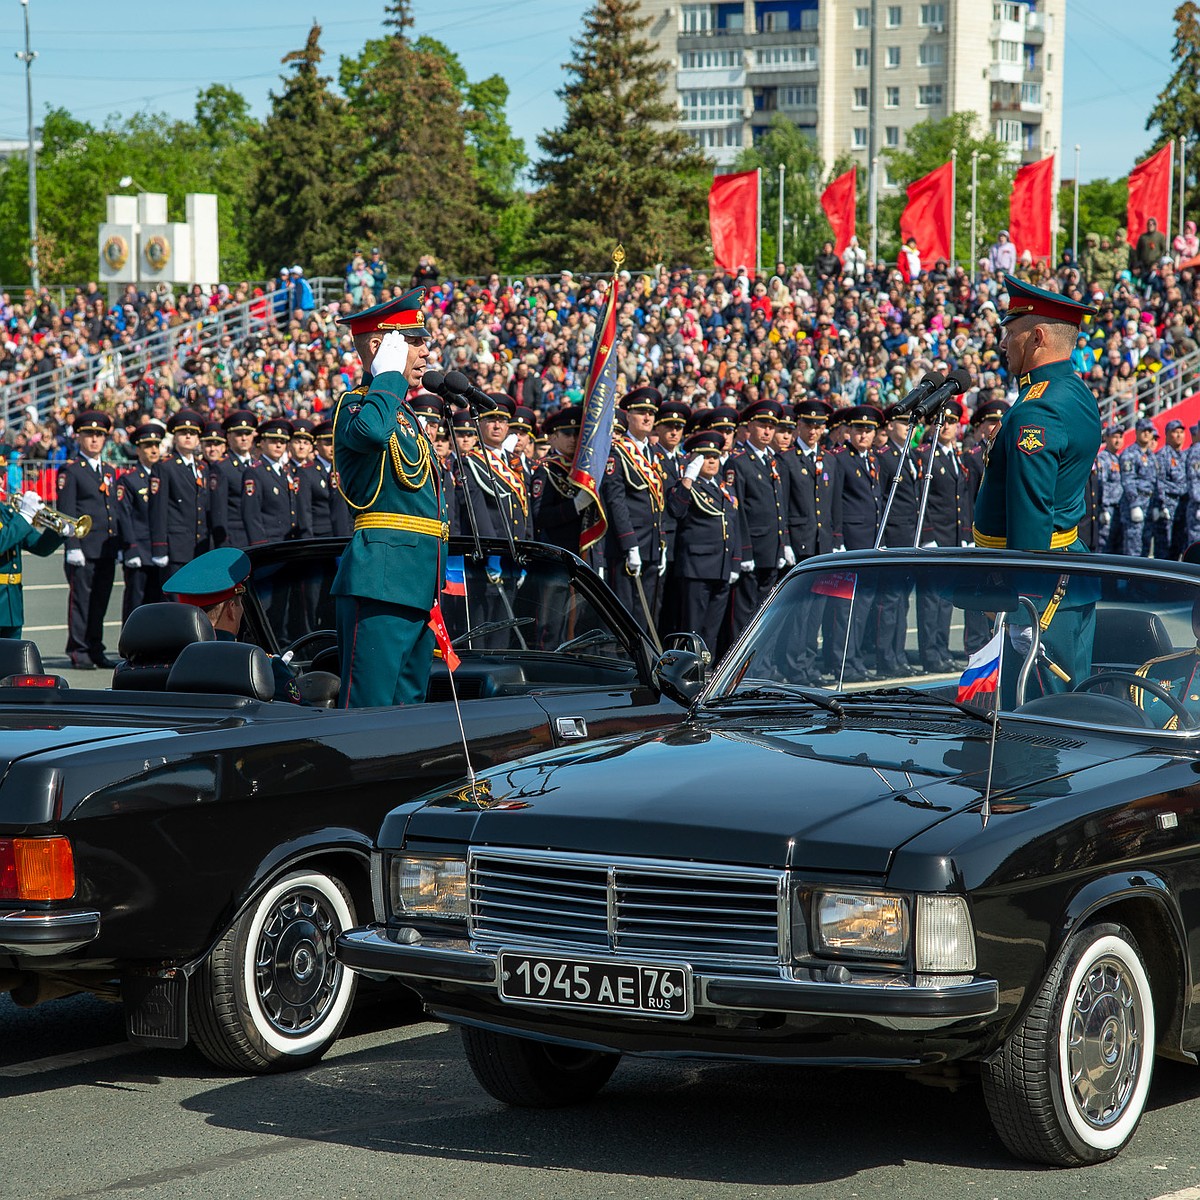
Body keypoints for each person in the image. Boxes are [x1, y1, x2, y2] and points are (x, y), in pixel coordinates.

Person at [973, 276, 1102, 694]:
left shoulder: (1038, 409)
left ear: (1038, 336)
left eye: (1012, 333)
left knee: (1037, 722)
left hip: (1041, 587)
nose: (1004, 343)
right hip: (1062, 570)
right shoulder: (1071, 391)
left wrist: (1023, 596)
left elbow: (1031, 511)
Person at [331, 287, 446, 707]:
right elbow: (371, 433)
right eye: (414, 343)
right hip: (380, 581)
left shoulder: (404, 415)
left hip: (416, 581)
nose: (424, 353)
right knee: (368, 709)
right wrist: (387, 376)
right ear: (381, 348)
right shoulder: (358, 406)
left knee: (408, 712)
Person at [160, 547, 301, 704]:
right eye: (240, 603)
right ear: (231, 610)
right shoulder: (259, 667)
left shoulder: (158, 668)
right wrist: (281, 672)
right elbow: (309, 717)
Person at [666, 430, 742, 652]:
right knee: (693, 627)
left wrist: (735, 562)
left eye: (715, 457)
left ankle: (707, 671)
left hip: (721, 566)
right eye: (705, 457)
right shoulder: (687, 486)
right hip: (697, 567)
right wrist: (688, 477)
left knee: (712, 628)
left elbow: (733, 524)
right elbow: (676, 510)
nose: (711, 461)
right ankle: (690, 668)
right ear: (694, 459)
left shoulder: (723, 489)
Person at [57, 410, 120, 670]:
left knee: (100, 602)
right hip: (83, 548)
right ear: (79, 437)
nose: (94, 440)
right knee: (81, 602)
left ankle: (95, 647)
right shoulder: (71, 471)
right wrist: (72, 545)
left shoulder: (108, 470)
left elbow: (112, 509)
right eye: (88, 435)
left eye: (99, 435)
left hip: (105, 547)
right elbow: (67, 512)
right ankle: (79, 649)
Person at [602, 387, 667, 634]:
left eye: (651, 413)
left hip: (651, 544)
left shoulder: (653, 453)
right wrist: (630, 545)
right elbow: (616, 501)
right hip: (627, 546)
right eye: (641, 412)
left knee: (647, 613)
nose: (647, 418)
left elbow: (657, 503)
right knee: (625, 614)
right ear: (628, 415)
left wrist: (661, 543)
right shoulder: (617, 451)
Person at [727, 398, 790, 639]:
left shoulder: (772, 461)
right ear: (750, 426)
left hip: (772, 548)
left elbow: (779, 506)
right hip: (752, 547)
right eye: (762, 425)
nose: (767, 431)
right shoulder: (739, 461)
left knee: (767, 610)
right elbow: (739, 509)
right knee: (745, 610)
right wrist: (745, 550)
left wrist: (783, 543)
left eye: (771, 427)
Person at [149, 408, 210, 583]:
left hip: (199, 547)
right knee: (177, 603)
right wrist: (160, 547)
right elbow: (158, 510)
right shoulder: (165, 467)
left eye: (193, 433)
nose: (188, 437)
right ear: (175, 437)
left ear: (198, 438)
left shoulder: (202, 468)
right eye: (183, 433)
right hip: (176, 548)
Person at [116, 421, 167, 619]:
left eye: (156, 445)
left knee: (160, 604)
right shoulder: (130, 479)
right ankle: (131, 647)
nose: (153, 450)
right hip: (140, 549)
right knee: (136, 603)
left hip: (161, 550)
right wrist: (131, 548)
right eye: (147, 446)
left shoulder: (165, 475)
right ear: (138, 449)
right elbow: (124, 516)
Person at [0, 490, 60, 639]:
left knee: (11, 659)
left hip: (11, 602)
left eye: (1, 476)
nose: (0, 481)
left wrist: (59, 531)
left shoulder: (6, 511)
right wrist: (24, 516)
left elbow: (38, 546)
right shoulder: (15, 516)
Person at [208, 409, 257, 550]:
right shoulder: (222, 468)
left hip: (257, 537)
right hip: (234, 539)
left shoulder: (258, 466)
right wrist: (223, 545)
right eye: (239, 434)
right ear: (228, 437)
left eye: (247, 434)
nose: (244, 438)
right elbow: (219, 511)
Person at [1120, 419, 1159, 557]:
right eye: (1144, 430)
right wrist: (1134, 504)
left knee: (1146, 548)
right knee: (1133, 550)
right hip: (1135, 508)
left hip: (1149, 506)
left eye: (1149, 431)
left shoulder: (1151, 456)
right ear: (1136, 432)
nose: (1147, 433)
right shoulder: (1129, 453)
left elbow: (1155, 482)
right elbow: (1128, 480)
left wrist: (1156, 505)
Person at [1095, 424, 1124, 554]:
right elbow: (1102, 484)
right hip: (1109, 509)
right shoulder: (1103, 459)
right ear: (1106, 438)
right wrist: (1103, 509)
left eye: (1120, 437)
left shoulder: (1120, 458)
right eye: (1114, 437)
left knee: (1119, 548)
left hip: (1120, 509)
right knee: (1105, 546)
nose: (1117, 440)